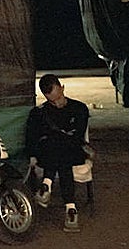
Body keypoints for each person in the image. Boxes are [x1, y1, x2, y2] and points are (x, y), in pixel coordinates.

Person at [25, 73, 91, 232]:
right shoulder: (39, 113)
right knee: (59, 153)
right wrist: (33, 154)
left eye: (58, 98)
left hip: (70, 150)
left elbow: (77, 136)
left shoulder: (79, 108)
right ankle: (70, 208)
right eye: (51, 101)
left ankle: (47, 184)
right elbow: (32, 138)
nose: (57, 103)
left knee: (59, 147)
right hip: (51, 153)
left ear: (62, 88)